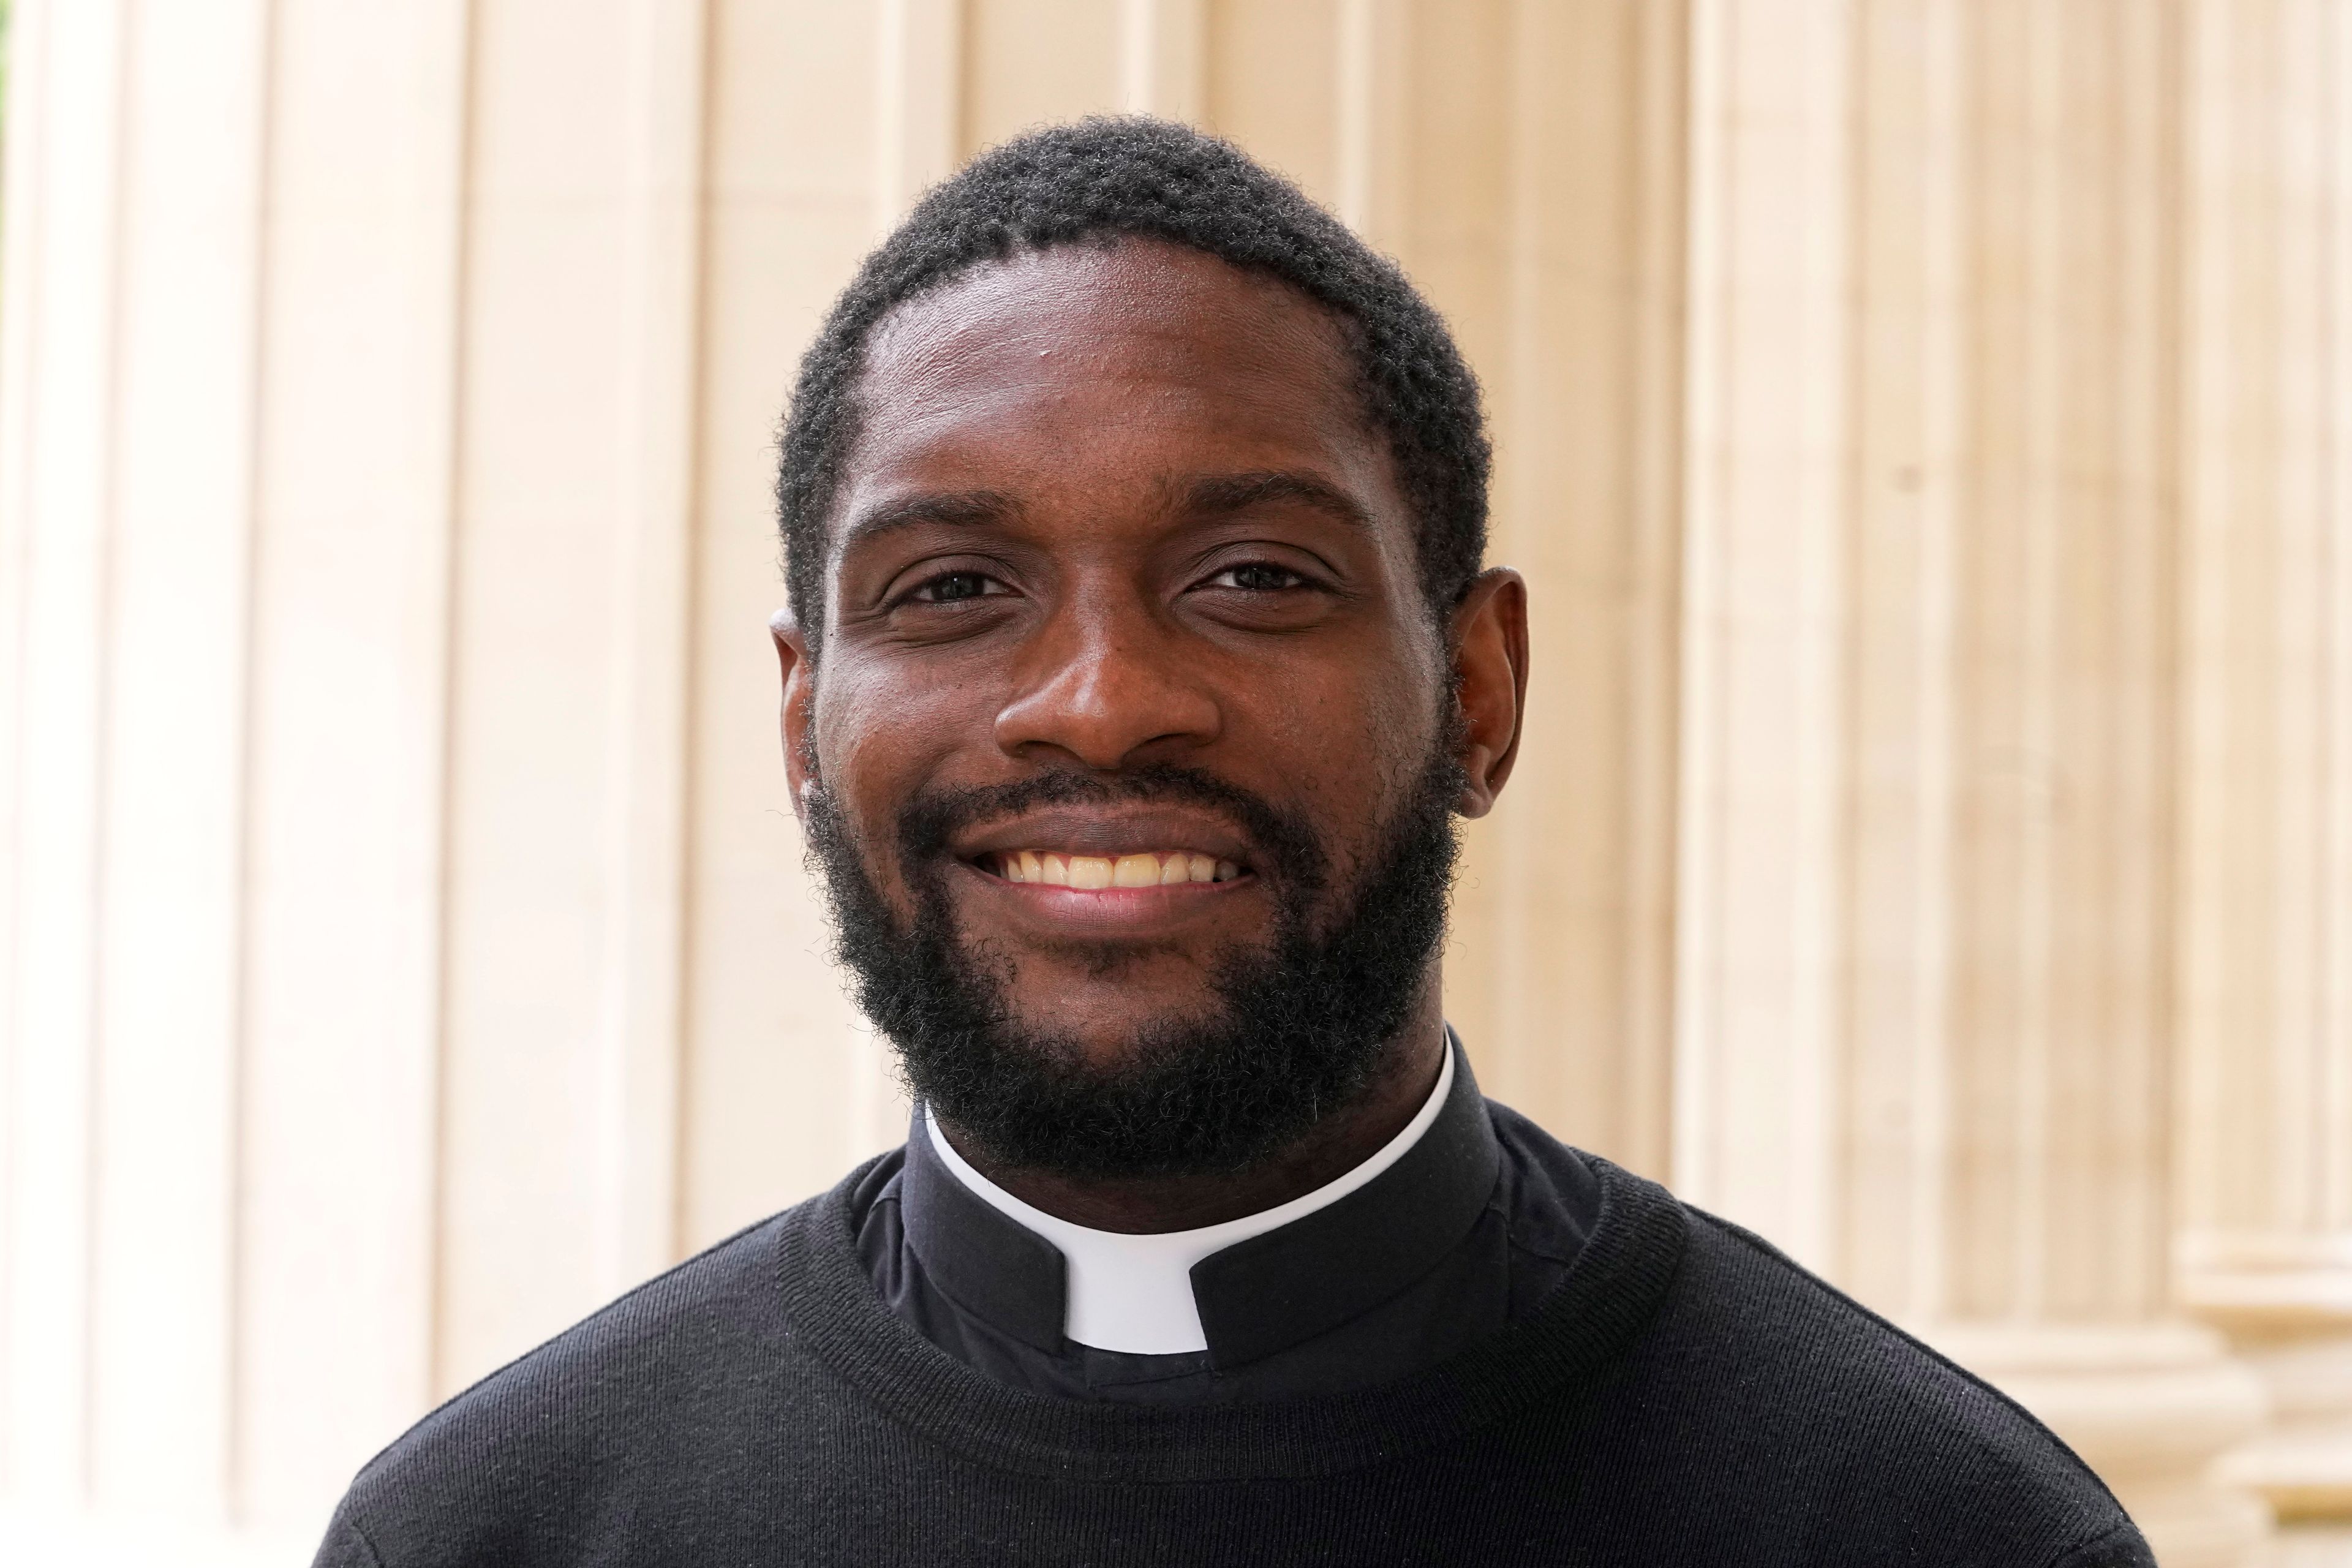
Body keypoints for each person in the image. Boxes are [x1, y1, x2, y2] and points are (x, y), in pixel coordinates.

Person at [312, 118, 2149, 1567]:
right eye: (954, 589)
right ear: (803, 721)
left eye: (1256, 579)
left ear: (1482, 690)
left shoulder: (1925, 1528)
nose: (1102, 702)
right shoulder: (502, 1532)